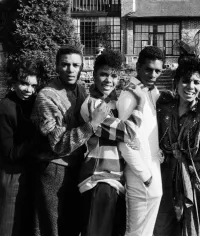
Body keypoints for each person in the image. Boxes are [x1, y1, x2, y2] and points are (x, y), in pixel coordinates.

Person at [31, 45, 112, 236]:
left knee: (74, 227)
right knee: (53, 228)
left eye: (76, 65)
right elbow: (58, 144)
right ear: (57, 66)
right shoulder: (47, 96)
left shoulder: (81, 91)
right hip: (55, 169)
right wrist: (92, 124)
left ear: (82, 67)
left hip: (78, 167)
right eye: (65, 64)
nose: (71, 69)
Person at [79, 50, 146, 236]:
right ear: (94, 75)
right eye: (103, 74)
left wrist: (134, 139)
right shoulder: (94, 105)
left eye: (114, 75)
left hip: (115, 180)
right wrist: (140, 104)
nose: (109, 80)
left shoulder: (115, 103)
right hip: (99, 180)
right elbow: (128, 131)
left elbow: (128, 136)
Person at [117, 46, 164, 236]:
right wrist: (145, 175)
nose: (153, 74)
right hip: (140, 176)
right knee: (136, 233)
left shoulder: (152, 92)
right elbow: (123, 140)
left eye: (158, 71)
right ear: (138, 67)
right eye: (148, 69)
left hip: (153, 172)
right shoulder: (130, 95)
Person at [0, 61, 39, 236]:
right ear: (13, 83)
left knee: (27, 223)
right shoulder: (4, 109)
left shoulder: (33, 101)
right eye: (24, 83)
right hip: (10, 171)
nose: (29, 90)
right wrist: (38, 139)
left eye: (33, 85)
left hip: (29, 168)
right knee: (8, 225)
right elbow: (10, 154)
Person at [154, 56, 200, 236]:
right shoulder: (164, 108)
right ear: (176, 83)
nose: (191, 86)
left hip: (193, 176)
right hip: (164, 174)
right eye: (186, 81)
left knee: (190, 228)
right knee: (162, 225)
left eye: (196, 82)